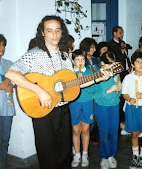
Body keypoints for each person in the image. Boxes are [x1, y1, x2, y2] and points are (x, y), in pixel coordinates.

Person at [5, 15, 112, 169]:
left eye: (57, 30)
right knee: (48, 158)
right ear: (42, 33)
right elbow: (11, 73)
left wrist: (98, 78)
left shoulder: (65, 56)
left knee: (64, 156)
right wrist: (39, 91)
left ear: (62, 33)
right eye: (49, 30)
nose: (54, 34)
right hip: (43, 112)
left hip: (63, 111)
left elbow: (73, 84)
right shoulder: (34, 54)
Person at [69, 49, 109, 167]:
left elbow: (95, 90)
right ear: (73, 61)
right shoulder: (70, 74)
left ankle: (85, 154)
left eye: (82, 59)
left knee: (86, 130)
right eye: (77, 59)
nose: (80, 62)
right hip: (74, 103)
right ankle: (77, 154)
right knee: (76, 130)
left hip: (87, 103)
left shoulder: (90, 73)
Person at [94, 52, 122, 169]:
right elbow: (95, 95)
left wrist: (119, 89)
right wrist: (109, 91)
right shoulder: (96, 75)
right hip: (102, 106)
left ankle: (111, 155)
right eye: (109, 66)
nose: (111, 68)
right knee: (104, 132)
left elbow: (119, 93)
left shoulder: (116, 74)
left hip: (114, 105)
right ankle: (104, 157)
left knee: (114, 132)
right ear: (102, 63)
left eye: (113, 65)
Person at [0, 34, 15, 169]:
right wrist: (1, 86)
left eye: (3, 44)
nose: (1, 47)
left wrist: (11, 83)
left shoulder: (9, 64)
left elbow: (18, 80)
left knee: (4, 141)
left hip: (7, 108)